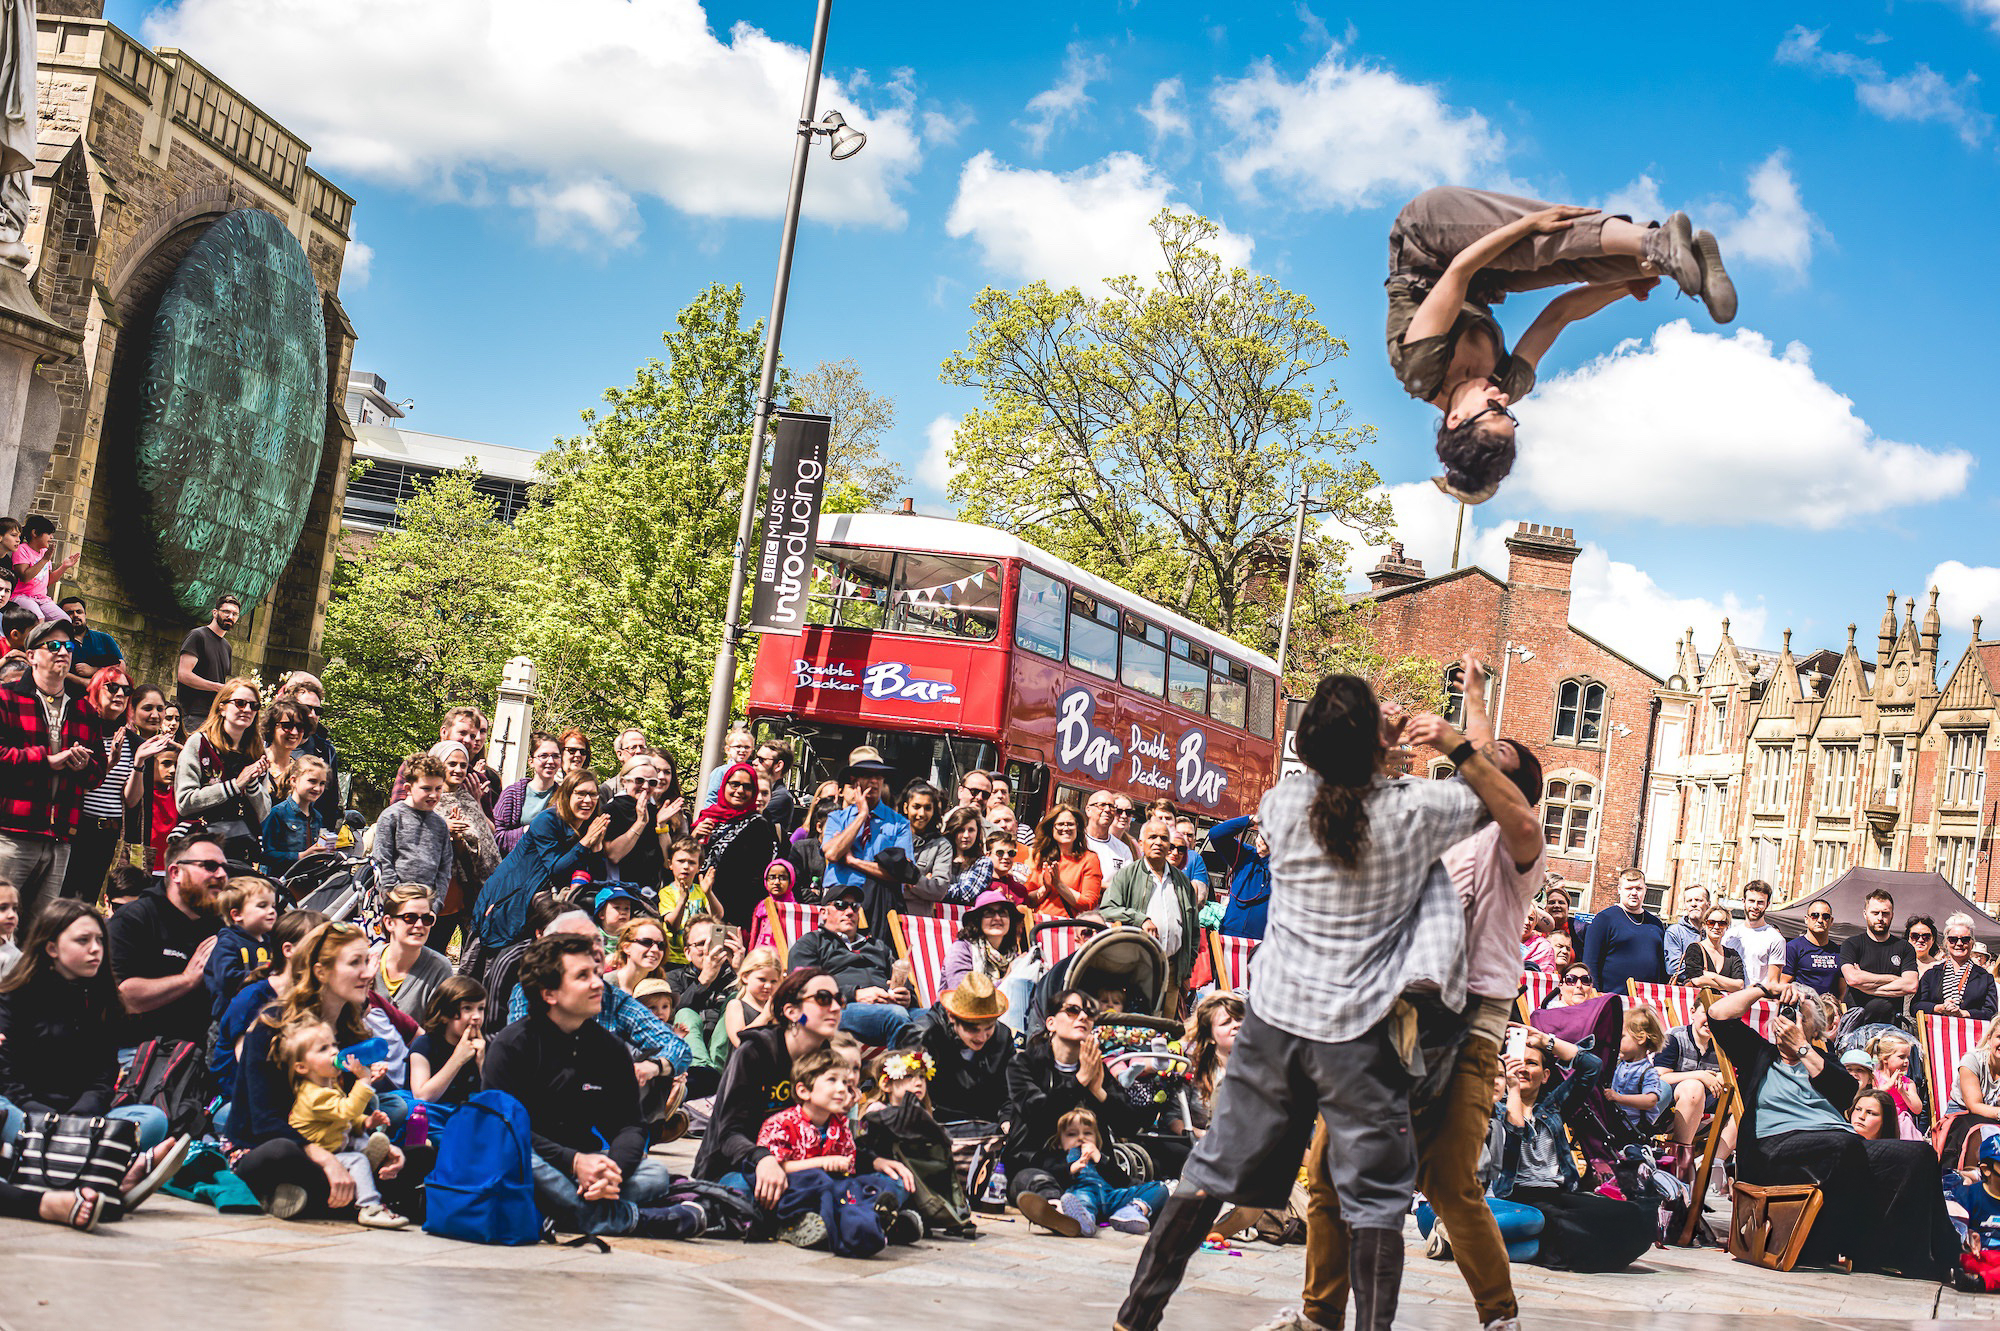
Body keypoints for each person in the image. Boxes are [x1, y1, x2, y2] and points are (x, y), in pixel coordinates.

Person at [1119, 674, 1525, 1331]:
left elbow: (1334, 772)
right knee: (1375, 1200)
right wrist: (1441, 727)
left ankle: (1134, 1318)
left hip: (1274, 1022)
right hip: (1356, 1033)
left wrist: (1373, 741)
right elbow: (1484, 784)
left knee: (1209, 1171)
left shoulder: (1284, 802)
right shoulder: (1415, 811)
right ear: (1373, 747)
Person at [1383, 188, 1731, 503]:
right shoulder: (1506, 385)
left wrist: (1528, 222)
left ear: (1456, 419)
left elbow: (1459, 271)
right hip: (1485, 278)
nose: (1503, 399)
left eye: (1495, 410)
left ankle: (1656, 245)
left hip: (1426, 240)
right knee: (1574, 265)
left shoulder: (1420, 368)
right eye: (1509, 413)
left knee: (1542, 240)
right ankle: (1670, 263)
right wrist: (1626, 286)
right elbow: (1559, 315)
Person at [1705, 978, 1957, 1278]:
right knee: (1843, 1146)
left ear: (1816, 1028)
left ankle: (1944, 1258)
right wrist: (1764, 989)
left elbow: (1845, 1091)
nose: (1793, 1015)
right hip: (1773, 1148)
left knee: (1919, 1155)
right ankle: (1858, 1247)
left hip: (1837, 1148)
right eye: (1789, 1009)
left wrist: (1801, 1048)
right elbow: (1718, 1014)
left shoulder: (1825, 1060)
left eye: (1802, 1012)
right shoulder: (1758, 1053)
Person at [482, 933, 702, 1239]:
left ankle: (565, 1210)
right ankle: (627, 1219)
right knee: (515, 1163)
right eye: (582, 976)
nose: (598, 983)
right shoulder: (513, 1045)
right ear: (550, 993)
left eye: (596, 974)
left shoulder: (608, 1048)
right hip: (529, 1157)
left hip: (587, 1166)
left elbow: (630, 1125)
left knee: (655, 1174)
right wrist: (573, 1163)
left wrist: (612, 1171)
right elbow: (501, 1127)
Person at [0, 899, 177, 1154]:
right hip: (26, 1113)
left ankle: (57, 1154)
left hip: (82, 1119)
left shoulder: (102, 999)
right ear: (51, 947)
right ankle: (84, 1157)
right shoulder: (15, 995)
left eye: (100, 940)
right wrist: (47, 1118)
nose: (95, 949)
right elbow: (6, 1075)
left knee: (153, 1119)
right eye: (83, 941)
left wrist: (77, 1118)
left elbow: (104, 1075)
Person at [1489, 1029, 1658, 1270]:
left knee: (1630, 1215)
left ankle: (1579, 1250)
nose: (1523, 1068)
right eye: (1518, 1061)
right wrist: (1509, 1085)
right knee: (1574, 1231)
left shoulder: (1553, 1106)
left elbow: (1592, 1066)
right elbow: (1513, 1132)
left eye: (1531, 1063)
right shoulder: (1494, 1107)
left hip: (1558, 1193)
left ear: (1546, 1075)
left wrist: (1546, 1041)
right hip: (1516, 1197)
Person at [1005, 988, 1150, 1239]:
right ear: (1051, 1022)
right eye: (1072, 1010)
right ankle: (1059, 1212)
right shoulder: (1024, 1065)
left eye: (1089, 1012)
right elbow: (1038, 1115)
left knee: (1147, 1189)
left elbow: (1130, 1126)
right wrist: (1079, 1081)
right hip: (1040, 1164)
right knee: (1035, 1182)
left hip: (1090, 1170)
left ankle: (1138, 1211)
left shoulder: (1095, 1066)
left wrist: (1099, 1092)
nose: (1083, 1016)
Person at [693, 967, 842, 1199]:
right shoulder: (755, 1052)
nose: (835, 1007)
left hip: (797, 1165)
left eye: (839, 999)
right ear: (792, 1011)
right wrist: (763, 1158)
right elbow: (729, 1133)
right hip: (736, 1165)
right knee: (756, 1191)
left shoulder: (827, 1058)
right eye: (823, 998)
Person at [0, 617, 107, 920]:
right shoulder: (6, 697)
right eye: (53, 645)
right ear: (32, 655)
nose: (63, 652)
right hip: (12, 833)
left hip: (61, 836)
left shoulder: (84, 709)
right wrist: (44, 760)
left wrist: (84, 765)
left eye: (68, 646)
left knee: (39, 932)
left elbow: (98, 773)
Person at [279, 1020, 408, 1229]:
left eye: (333, 1045)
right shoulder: (313, 1095)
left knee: (361, 1139)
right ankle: (370, 1207)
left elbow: (343, 1117)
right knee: (357, 1160)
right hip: (318, 1155)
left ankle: (372, 1156)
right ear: (301, 1067)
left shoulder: (327, 1085)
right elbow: (346, 1109)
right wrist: (364, 1081)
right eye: (323, 1049)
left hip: (336, 1140)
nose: (334, 1052)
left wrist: (365, 1121)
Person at [107, 832, 225, 1049]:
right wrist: (187, 979)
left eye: (224, 867)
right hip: (138, 1056)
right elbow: (122, 998)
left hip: (200, 1054)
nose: (221, 874)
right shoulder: (135, 918)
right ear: (176, 872)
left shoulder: (220, 924)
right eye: (209, 866)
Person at [473, 769, 608, 952]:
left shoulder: (589, 827)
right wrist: (585, 843)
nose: (587, 801)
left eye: (593, 794)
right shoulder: (548, 820)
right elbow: (556, 869)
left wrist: (597, 846)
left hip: (542, 906)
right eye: (581, 794)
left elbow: (598, 879)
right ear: (567, 795)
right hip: (511, 901)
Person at [788, 882, 918, 1046]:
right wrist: (855, 994)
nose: (850, 912)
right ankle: (902, 1071)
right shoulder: (811, 943)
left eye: (855, 907)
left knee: (937, 1018)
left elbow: (902, 980)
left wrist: (907, 996)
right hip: (840, 1009)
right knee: (896, 1015)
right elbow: (803, 986)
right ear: (823, 913)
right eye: (841, 905)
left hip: (893, 1008)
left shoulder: (877, 946)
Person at [174, 674, 271, 863]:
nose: (247, 710)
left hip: (240, 851)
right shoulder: (199, 744)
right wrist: (235, 785)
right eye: (240, 703)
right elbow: (184, 802)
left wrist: (251, 786)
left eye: (254, 706)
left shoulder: (257, 753)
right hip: (199, 849)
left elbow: (264, 813)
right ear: (222, 707)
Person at [819, 747, 914, 936]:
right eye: (867, 775)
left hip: (880, 907)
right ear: (854, 781)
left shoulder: (899, 823)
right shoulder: (837, 818)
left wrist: (853, 861)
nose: (874, 781)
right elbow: (832, 854)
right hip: (840, 902)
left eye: (878, 776)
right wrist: (861, 815)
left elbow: (902, 873)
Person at [896, 971, 1015, 1123]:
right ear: (952, 1017)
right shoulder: (923, 1036)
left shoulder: (1001, 1035)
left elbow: (1010, 1089)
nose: (981, 1037)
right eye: (973, 1029)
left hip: (989, 1123)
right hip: (938, 1123)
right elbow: (907, 1095)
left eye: (988, 1028)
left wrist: (1007, 1119)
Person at [63, 664, 137, 905]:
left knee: (88, 900)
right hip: (78, 825)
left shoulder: (129, 738)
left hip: (108, 832)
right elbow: (77, 785)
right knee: (64, 895)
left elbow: (130, 798)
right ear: (95, 689)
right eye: (113, 687)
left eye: (126, 691)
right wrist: (110, 763)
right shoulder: (80, 725)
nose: (120, 695)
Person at [1100, 817, 1200, 991]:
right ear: (1141, 842)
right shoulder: (1127, 875)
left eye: (1163, 838)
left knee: (1167, 1018)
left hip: (1172, 970)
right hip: (1136, 967)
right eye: (1152, 837)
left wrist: (1187, 970)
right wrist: (1141, 919)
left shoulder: (1183, 882)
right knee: (1136, 1017)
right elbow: (1107, 910)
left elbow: (1193, 929)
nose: (1158, 842)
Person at [429, 739, 501, 949]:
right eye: (452, 764)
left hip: (470, 889)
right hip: (438, 891)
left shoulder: (469, 799)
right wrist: (444, 828)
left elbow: (485, 846)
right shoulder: (428, 799)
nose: (459, 769)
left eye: (463, 765)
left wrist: (460, 839)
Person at [1055, 1105, 1168, 1237]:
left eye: (1087, 1133)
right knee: (1081, 1200)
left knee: (1160, 1187)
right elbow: (1053, 1175)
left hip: (1110, 1196)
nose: (1081, 1138)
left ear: (1096, 1140)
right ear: (1060, 1143)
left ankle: (1131, 1211)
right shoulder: (1062, 1158)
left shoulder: (1100, 1158)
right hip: (1084, 1193)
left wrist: (1100, 1158)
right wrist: (1072, 1168)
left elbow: (1121, 1179)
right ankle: (1084, 1221)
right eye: (1071, 1134)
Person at [698, 760, 781, 927]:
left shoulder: (758, 825)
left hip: (730, 914)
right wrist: (695, 838)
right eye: (734, 784)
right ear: (724, 785)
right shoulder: (708, 817)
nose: (740, 791)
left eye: (747, 786)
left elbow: (755, 879)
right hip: (695, 905)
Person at [371, 753, 453, 921]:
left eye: (438, 789)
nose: (433, 795)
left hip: (426, 908)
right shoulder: (392, 816)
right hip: (395, 906)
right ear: (408, 788)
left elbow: (444, 869)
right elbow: (382, 860)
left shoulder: (440, 825)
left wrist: (435, 905)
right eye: (426, 788)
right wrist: (394, 900)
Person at [1655, 1005, 1733, 1173]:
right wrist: (1699, 1075)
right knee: (1693, 1088)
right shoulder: (1674, 1037)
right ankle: (1680, 1162)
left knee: (1743, 1100)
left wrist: (1726, 1077)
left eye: (1716, 1015)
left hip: (1707, 1106)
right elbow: (1660, 1077)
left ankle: (1710, 1164)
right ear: (1692, 1012)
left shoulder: (1723, 1044)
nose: (1710, 1021)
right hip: (1671, 1109)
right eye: (1706, 1013)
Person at [373, 881, 455, 1021]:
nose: (419, 925)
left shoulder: (440, 969)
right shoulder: (367, 961)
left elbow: (439, 1031)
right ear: (389, 922)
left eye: (426, 919)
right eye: (410, 918)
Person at [204, 875, 277, 1024]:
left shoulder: (270, 942)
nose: (272, 911)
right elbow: (226, 978)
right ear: (237, 915)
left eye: (273, 906)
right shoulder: (228, 942)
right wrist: (266, 975)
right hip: (228, 1020)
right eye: (262, 905)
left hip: (260, 1018)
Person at [1840, 888, 1919, 1026]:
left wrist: (1864, 985)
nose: (1880, 918)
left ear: (1892, 915)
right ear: (1865, 914)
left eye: (1885, 913)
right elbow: (1853, 979)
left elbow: (1910, 986)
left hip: (1891, 1028)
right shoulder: (1851, 944)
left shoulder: (1904, 947)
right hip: (1855, 1026)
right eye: (1875, 913)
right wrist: (1893, 979)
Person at [1581, 868, 1666, 996]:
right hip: (1611, 997)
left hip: (1647, 1000)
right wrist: (1596, 995)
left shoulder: (1656, 924)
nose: (1634, 893)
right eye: (1628, 888)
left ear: (1645, 890)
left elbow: (1661, 966)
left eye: (1638, 888)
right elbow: (1590, 962)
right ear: (1619, 889)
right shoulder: (1604, 919)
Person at [274, 674, 343, 831]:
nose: (312, 714)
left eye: (317, 710)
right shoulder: (266, 745)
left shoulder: (326, 751)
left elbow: (332, 805)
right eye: (306, 708)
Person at [602, 753, 679, 891]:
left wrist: (661, 826)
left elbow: (668, 862)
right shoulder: (611, 809)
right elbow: (613, 855)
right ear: (624, 781)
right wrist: (640, 823)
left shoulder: (654, 810)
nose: (645, 786)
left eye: (652, 782)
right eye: (639, 780)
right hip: (618, 891)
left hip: (649, 892)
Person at [408, 975, 486, 1108]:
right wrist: (458, 1059)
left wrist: (482, 1063)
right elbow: (422, 1096)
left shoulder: (483, 1047)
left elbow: (496, 1097)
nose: (477, 1016)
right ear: (444, 1015)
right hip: (430, 1120)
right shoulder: (424, 1045)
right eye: (467, 1008)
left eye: (481, 1008)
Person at [1023, 805, 1104, 919]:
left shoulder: (1089, 859)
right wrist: (1046, 888)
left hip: (1068, 929)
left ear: (1078, 828)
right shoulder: (1040, 856)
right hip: (1039, 926)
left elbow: (1088, 904)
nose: (1065, 828)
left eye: (1070, 824)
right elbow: (1028, 900)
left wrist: (1059, 885)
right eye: (1060, 824)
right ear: (1051, 828)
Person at [259, 755, 332, 878]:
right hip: (279, 884)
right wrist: (301, 856)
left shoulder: (318, 817)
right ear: (294, 781)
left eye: (322, 783)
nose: (318, 788)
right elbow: (264, 855)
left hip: (307, 884)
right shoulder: (277, 813)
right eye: (312, 781)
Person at [1915, 913, 1998, 1020]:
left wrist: (1964, 1013)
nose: (1959, 943)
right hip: (1934, 1032)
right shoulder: (1932, 974)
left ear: (1972, 943)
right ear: (1946, 943)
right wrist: (1939, 1008)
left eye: (1965, 940)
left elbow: (1991, 1012)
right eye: (1953, 939)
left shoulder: (1985, 978)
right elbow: (1916, 1006)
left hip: (1970, 1033)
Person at [941, 890, 1027, 993]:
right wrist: (1007, 979)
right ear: (978, 920)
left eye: (1002, 913)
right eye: (989, 913)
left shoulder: (1012, 956)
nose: (997, 918)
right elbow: (963, 993)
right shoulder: (962, 950)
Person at [174, 592, 239, 724]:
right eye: (226, 612)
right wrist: (216, 687)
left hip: (214, 717)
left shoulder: (227, 647)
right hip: (191, 715)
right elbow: (183, 674)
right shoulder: (197, 636)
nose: (230, 616)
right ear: (215, 613)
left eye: (234, 614)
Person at [493, 733, 563, 854]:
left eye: (555, 756)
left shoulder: (564, 797)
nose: (550, 761)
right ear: (531, 761)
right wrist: (528, 831)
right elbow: (496, 837)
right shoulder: (512, 794)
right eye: (544, 756)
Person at [1207, 812, 1272, 940]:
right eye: (1262, 834)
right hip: (1227, 937)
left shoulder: (1283, 869)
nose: (1264, 839)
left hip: (1260, 944)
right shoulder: (1245, 855)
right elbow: (1216, 834)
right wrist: (1251, 820)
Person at [1943, 1025, 2000, 1169]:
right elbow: (1974, 1105)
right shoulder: (1972, 1061)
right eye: (1999, 1037)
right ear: (1989, 1038)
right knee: (1979, 1131)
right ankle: (1965, 1180)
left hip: (1992, 1118)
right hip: (1962, 1117)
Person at [1948, 1134, 2000, 1292]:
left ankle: (1981, 1282)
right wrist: (1967, 1234)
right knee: (1960, 1259)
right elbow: (1953, 1228)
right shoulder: (1968, 1195)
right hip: (1979, 1256)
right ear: (1986, 1170)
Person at [7, 515, 78, 620]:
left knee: (65, 621)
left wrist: (64, 566)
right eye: (48, 534)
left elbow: (49, 581)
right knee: (38, 618)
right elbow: (25, 577)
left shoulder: (44, 553)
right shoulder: (22, 550)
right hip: (22, 596)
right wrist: (44, 559)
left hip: (42, 598)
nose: (51, 537)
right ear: (35, 533)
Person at [1608, 1007, 1667, 1131]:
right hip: (1614, 1121)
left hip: (1634, 1127)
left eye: (1621, 1036)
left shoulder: (1647, 1072)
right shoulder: (1619, 1064)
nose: (1616, 1041)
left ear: (1640, 1038)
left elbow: (1651, 1100)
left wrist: (1619, 1098)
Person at [1725, 880, 1786, 989]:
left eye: (1760, 902)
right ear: (1744, 902)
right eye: (1751, 901)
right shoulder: (1729, 935)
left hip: (1757, 1000)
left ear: (1767, 904)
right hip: (1729, 997)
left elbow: (1773, 983)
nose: (1755, 906)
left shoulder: (1776, 939)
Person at [1868, 1032, 1927, 1141]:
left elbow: (1917, 1109)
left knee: (1905, 1123)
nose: (1906, 1061)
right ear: (1885, 1058)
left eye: (1907, 1057)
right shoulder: (1874, 1077)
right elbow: (1869, 1098)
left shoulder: (1908, 1083)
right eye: (1901, 1057)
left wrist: (1902, 1092)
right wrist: (1887, 1086)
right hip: (1880, 1120)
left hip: (1900, 1123)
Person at [1781, 900, 1845, 998]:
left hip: (1830, 1009)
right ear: (1806, 919)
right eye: (1815, 915)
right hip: (1802, 1007)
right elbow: (1783, 983)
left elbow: (1842, 990)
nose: (1820, 920)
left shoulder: (1838, 951)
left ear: (1831, 921)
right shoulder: (1793, 947)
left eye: (1825, 916)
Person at [660, 837, 709, 962]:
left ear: (699, 867)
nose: (686, 866)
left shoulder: (701, 891)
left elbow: (718, 915)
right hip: (672, 958)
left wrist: (709, 893)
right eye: (681, 861)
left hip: (697, 957)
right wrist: (682, 900)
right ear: (670, 864)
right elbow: (672, 926)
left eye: (692, 862)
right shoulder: (666, 892)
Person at [723, 946, 782, 1047]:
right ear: (745, 976)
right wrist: (765, 1017)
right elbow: (740, 1042)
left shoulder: (774, 1009)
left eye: (773, 981)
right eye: (762, 979)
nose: (768, 986)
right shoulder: (736, 1005)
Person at [1682, 904, 1747, 994]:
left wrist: (1712, 976)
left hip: (1725, 1006)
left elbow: (1739, 985)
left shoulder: (1732, 954)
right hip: (1699, 1004)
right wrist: (1729, 986)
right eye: (1711, 922)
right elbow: (1698, 981)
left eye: (1721, 923)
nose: (1716, 927)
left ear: (1726, 927)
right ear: (1704, 925)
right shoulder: (1695, 949)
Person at [607, 916, 669, 994]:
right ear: (626, 948)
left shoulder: (661, 988)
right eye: (646, 942)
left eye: (661, 945)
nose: (655, 949)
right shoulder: (606, 985)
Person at [1662, 885, 1710, 983]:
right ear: (1685, 905)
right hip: (1683, 990)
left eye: (1698, 900)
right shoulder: (1675, 932)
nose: (1693, 904)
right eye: (1689, 901)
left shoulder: (1713, 932)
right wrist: (1709, 975)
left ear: (1708, 904)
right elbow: (1674, 968)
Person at [747, 858, 795, 954]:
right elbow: (754, 935)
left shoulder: (794, 909)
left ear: (791, 881)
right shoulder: (761, 906)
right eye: (772, 877)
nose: (777, 882)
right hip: (761, 954)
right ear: (766, 881)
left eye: (782, 878)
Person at [1083, 791, 1132, 883]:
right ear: (1088, 810)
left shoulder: (1123, 850)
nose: (1107, 810)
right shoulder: (1076, 840)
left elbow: (1126, 885)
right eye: (1101, 805)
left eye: (1112, 807)